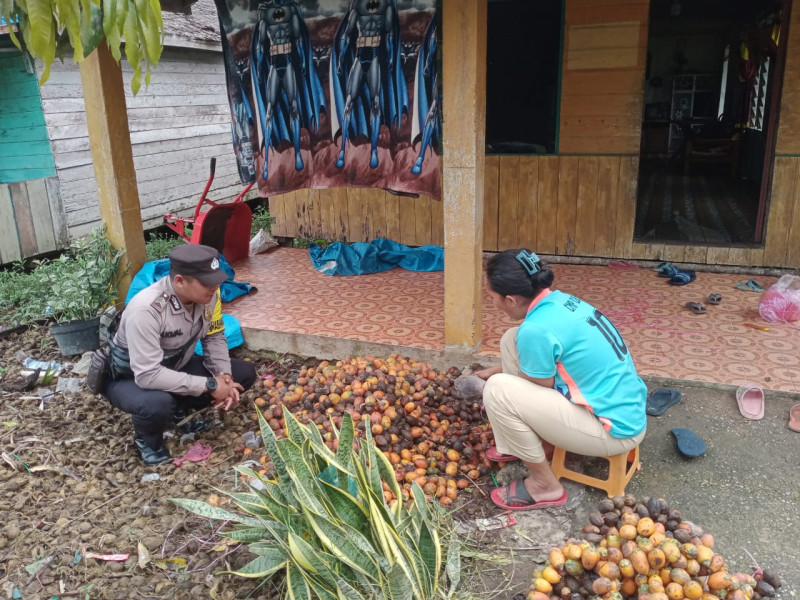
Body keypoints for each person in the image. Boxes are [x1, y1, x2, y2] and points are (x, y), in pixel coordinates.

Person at [476, 249, 647, 511]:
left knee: (498, 391)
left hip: (611, 431)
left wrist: (500, 394)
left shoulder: (535, 329)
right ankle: (524, 443)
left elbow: (537, 386)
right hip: (626, 409)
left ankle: (546, 485)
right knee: (511, 339)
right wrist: (498, 367)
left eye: (491, 297)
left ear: (510, 299)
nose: (492, 303)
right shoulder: (560, 302)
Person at [103, 244, 257, 465]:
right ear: (180, 282)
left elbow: (213, 336)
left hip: (174, 365)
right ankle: (148, 440)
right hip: (130, 378)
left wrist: (223, 376)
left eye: (216, 279)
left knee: (243, 373)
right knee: (156, 403)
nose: (214, 286)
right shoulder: (146, 309)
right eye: (206, 281)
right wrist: (210, 385)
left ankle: (179, 414)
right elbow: (146, 375)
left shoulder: (210, 296)